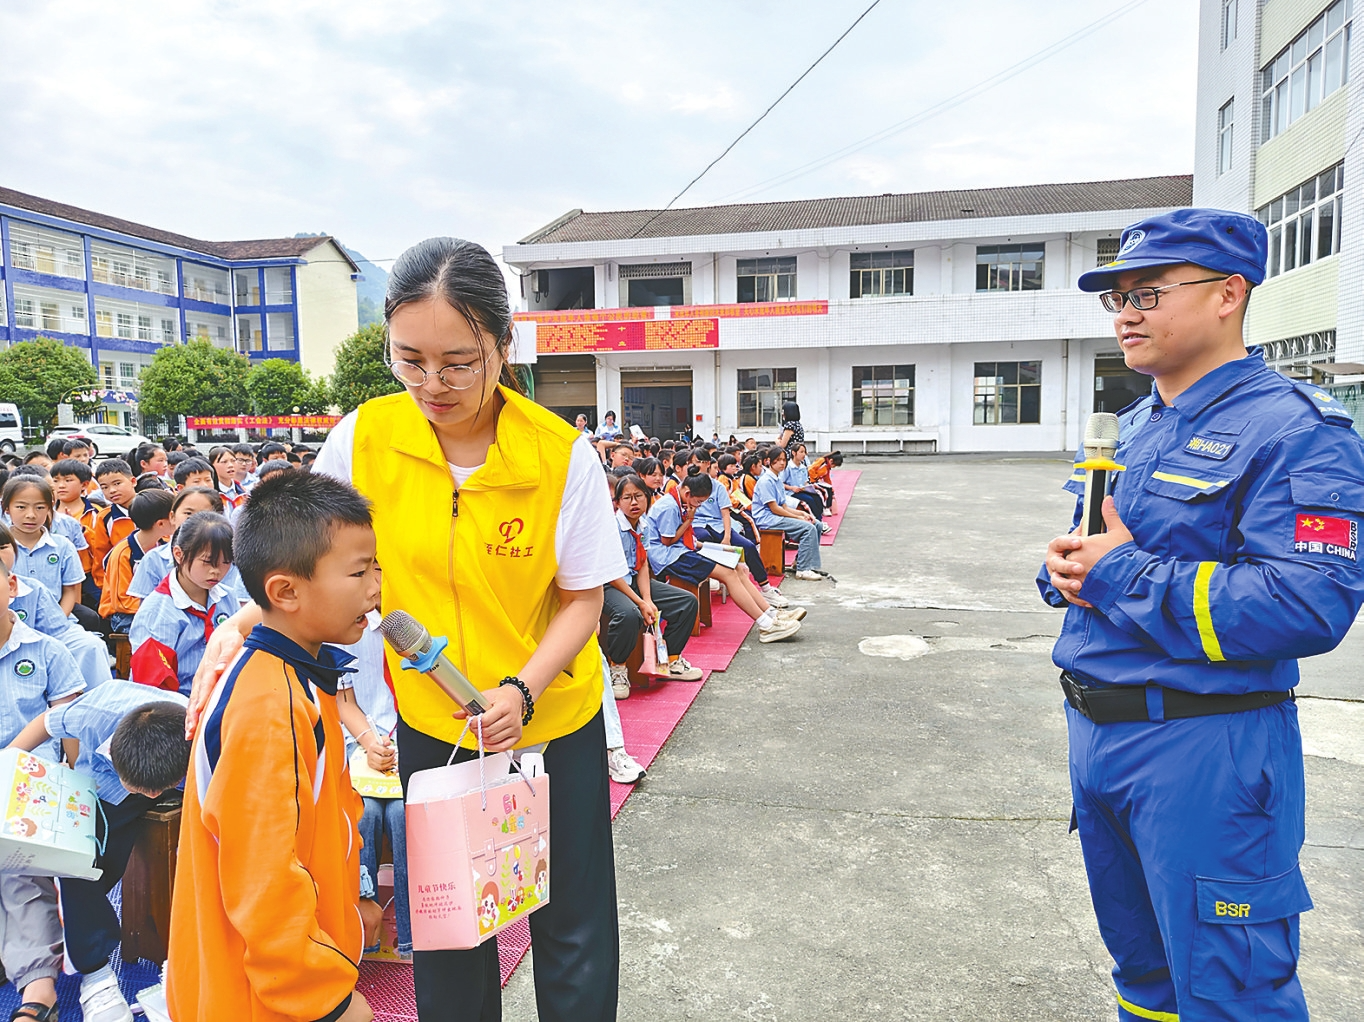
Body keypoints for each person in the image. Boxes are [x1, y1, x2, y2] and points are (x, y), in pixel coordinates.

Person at [188, 237, 626, 1022]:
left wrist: (521, 691)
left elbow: (583, 603)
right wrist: (249, 623)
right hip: (437, 724)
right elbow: (309, 559)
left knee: (572, 924)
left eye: (458, 363)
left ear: (504, 344)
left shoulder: (561, 456)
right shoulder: (365, 438)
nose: (432, 385)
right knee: (451, 928)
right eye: (410, 360)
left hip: (552, 723)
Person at [1039, 209, 1364, 1022]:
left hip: (1205, 747)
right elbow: (1099, 549)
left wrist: (1121, 573)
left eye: (1149, 292)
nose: (1126, 314)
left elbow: (1307, 604)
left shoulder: (1297, 432)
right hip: (1098, 737)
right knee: (1144, 980)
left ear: (1228, 294)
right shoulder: (1133, 427)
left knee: (1229, 994)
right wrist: (1065, 569)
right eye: (1117, 298)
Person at [167, 471, 381, 1022]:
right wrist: (324, 999)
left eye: (375, 567)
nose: (376, 588)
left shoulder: (295, 676)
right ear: (285, 591)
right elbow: (262, 877)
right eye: (359, 572)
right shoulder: (269, 705)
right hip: (262, 996)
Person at [7, 681, 190, 1022]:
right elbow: (45, 723)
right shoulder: (94, 714)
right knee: (76, 860)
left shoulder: (204, 728)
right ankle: (96, 973)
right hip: (101, 787)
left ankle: (194, 958)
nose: (149, 796)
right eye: (140, 788)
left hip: (181, 777)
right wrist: (7, 761)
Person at [0, 552, 83, 1022]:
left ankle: (38, 986)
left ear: (12, 586)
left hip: (31, 784)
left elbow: (70, 729)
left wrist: (74, 786)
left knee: (18, 868)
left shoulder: (48, 652)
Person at [335, 608, 413, 960]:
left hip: (409, 740)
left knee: (401, 815)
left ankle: (412, 936)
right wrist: (370, 745)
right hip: (359, 742)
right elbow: (345, 701)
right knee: (364, 815)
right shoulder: (345, 623)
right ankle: (363, 935)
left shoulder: (410, 621)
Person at [644, 473, 801, 643]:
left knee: (737, 567)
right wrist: (690, 520)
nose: (699, 506)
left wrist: (710, 547)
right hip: (669, 557)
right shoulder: (668, 506)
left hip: (682, 549)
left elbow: (685, 539)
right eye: (699, 502)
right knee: (728, 573)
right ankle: (766, 625)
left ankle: (771, 613)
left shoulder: (680, 500)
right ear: (688, 493)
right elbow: (667, 541)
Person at [604, 474, 702, 699]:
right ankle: (617, 667)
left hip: (634, 580)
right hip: (610, 585)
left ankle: (671, 660)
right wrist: (640, 603)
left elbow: (642, 564)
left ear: (647, 498)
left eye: (638, 496)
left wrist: (647, 598)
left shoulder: (644, 524)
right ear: (617, 502)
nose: (634, 502)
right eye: (627, 497)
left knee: (686, 602)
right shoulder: (611, 528)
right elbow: (612, 574)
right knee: (629, 614)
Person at [129, 512, 239, 695]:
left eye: (225, 562)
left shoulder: (227, 597)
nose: (216, 571)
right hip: (176, 700)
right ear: (179, 555)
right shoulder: (157, 611)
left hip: (222, 694)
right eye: (207, 562)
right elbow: (153, 683)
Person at [127, 487, 252, 606]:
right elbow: (148, 607)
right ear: (172, 517)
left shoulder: (232, 557)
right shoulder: (153, 559)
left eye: (204, 514)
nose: (196, 521)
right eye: (188, 513)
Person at [2, 476, 84, 614]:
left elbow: (70, 590)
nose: (31, 515)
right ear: (7, 507)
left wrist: (58, 620)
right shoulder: (3, 547)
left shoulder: (63, 546)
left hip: (57, 618)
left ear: (50, 507)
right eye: (21, 507)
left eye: (40, 507)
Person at [100, 488, 175, 632]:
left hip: (157, 607)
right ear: (160, 524)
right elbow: (121, 602)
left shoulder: (165, 545)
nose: (177, 520)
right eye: (172, 516)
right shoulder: (123, 553)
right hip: (124, 614)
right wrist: (160, 608)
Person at [752, 447, 825, 581]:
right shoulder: (766, 481)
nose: (782, 463)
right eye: (778, 460)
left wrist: (803, 514)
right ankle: (803, 569)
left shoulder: (777, 480)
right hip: (768, 519)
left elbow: (784, 506)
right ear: (768, 461)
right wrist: (798, 517)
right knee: (808, 528)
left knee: (817, 524)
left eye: (784, 460)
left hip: (777, 516)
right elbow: (774, 508)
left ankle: (800, 562)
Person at [89, 459, 137, 599]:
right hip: (121, 585)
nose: (112, 490)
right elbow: (101, 555)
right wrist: (106, 587)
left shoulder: (154, 506)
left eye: (117, 483)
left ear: (133, 481)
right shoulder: (105, 518)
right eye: (104, 487)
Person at [781, 443, 831, 533]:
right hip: (791, 492)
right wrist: (791, 488)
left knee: (817, 497)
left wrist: (808, 486)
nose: (804, 454)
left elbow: (805, 481)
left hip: (802, 490)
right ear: (794, 453)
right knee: (809, 500)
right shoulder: (788, 467)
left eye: (805, 452)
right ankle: (816, 522)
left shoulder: (803, 467)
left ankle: (819, 520)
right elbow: (780, 483)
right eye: (801, 452)